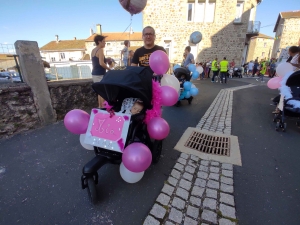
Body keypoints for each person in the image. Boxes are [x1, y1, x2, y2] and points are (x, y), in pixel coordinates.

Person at [91, 35, 111, 108]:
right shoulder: (100, 50)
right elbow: (101, 63)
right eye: (104, 42)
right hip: (100, 74)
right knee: (103, 92)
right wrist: (110, 69)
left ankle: (100, 107)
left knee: (99, 92)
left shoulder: (93, 50)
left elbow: (96, 61)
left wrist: (106, 59)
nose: (105, 43)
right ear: (99, 41)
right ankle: (103, 108)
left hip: (94, 74)